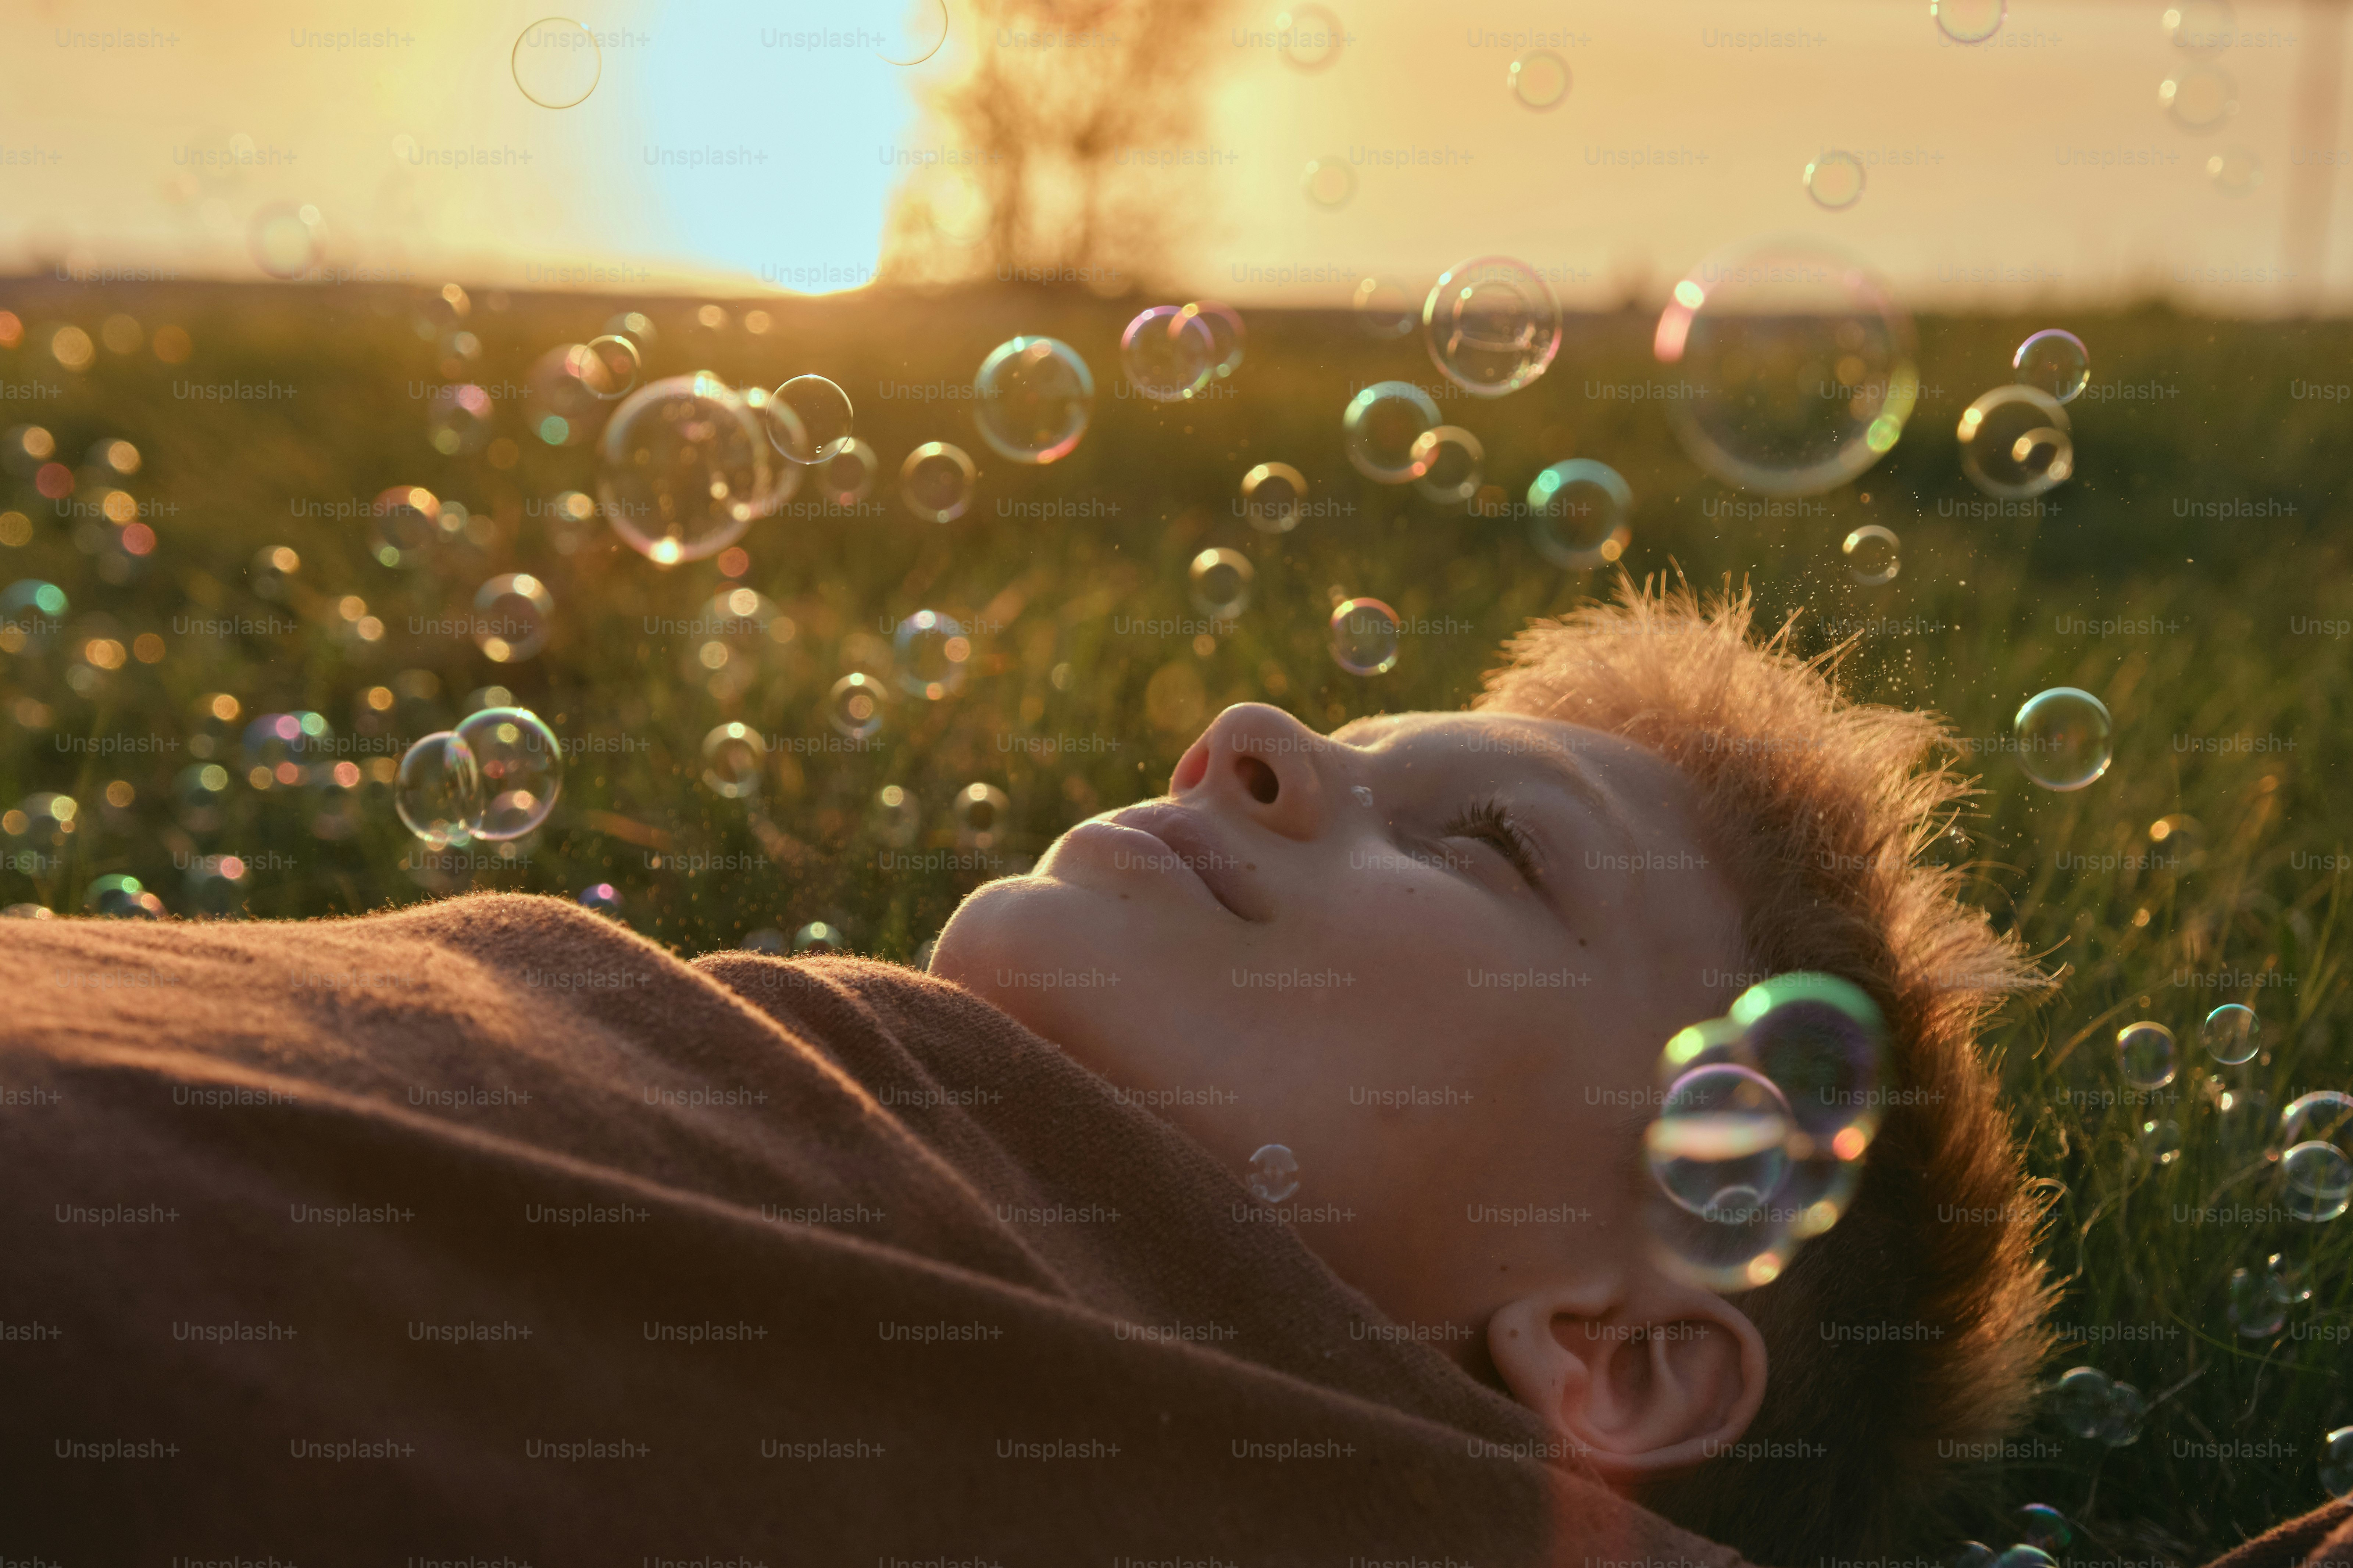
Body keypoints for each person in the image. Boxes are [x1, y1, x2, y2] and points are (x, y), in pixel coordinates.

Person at [1, 579, 2054, 1564]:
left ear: (1607, 1350)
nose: (1248, 732)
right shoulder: (813, 1080)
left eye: (1485, 843)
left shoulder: (1317, 1488)